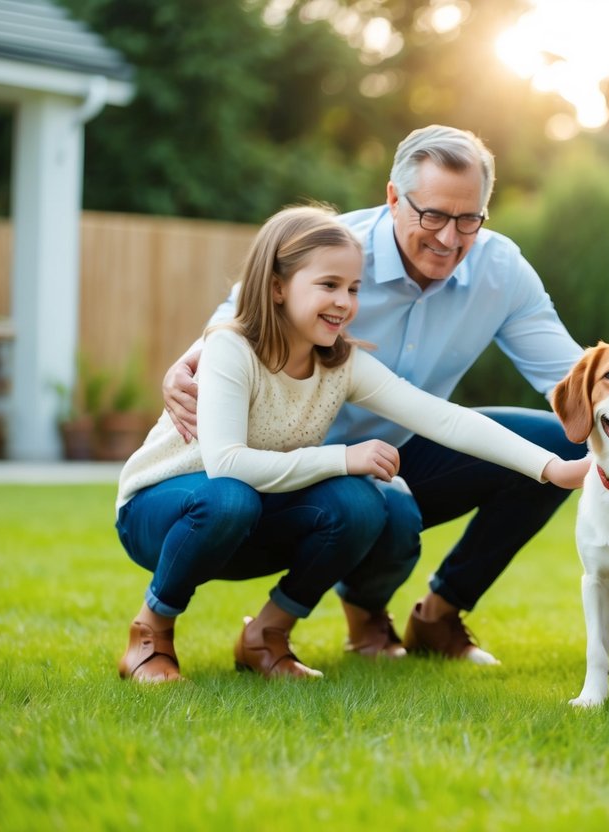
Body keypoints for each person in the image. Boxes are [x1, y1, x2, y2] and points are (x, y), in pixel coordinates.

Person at [162, 125, 586, 665]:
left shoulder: (500, 270)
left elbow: (571, 381)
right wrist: (191, 357)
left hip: (403, 450)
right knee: (385, 507)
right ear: (392, 197)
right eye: (432, 215)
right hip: (287, 464)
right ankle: (344, 618)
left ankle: (439, 615)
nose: (450, 238)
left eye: (469, 219)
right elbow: (233, 325)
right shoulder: (328, 250)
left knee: (562, 442)